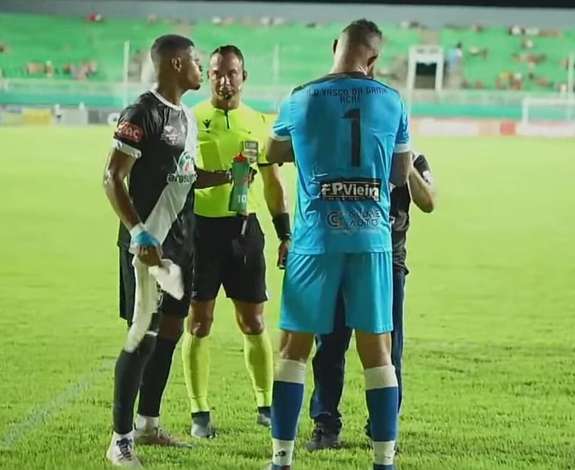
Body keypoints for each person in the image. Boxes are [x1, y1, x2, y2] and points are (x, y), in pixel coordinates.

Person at [264, 18, 412, 470]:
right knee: (378, 350)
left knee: (294, 348)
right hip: (372, 240)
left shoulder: (300, 97)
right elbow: (401, 175)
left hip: (315, 238)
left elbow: (272, 153)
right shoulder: (391, 100)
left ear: (336, 47)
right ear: (372, 59)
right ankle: (384, 461)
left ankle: (281, 459)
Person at [102, 34, 231, 467]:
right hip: (149, 246)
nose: (201, 69)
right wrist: (138, 232)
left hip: (182, 242)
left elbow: (186, 176)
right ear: (177, 64)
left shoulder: (186, 119)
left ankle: (148, 424)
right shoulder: (142, 112)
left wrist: (228, 176)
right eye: (196, 61)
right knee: (141, 336)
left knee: (171, 333)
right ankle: (119, 440)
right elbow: (112, 178)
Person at [181, 44, 290, 438]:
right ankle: (199, 413)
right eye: (216, 73)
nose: (224, 79)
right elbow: (183, 178)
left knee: (254, 322)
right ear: (207, 77)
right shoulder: (191, 120)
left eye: (231, 72)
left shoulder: (260, 122)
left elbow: (274, 184)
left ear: (244, 77)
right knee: (199, 324)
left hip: (245, 233)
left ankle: (265, 404)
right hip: (200, 232)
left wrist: (284, 234)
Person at [306, 151, 435, 450]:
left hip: (388, 262)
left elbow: (429, 202)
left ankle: (383, 425)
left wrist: (406, 163)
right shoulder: (356, 152)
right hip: (342, 255)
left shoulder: (416, 160)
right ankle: (325, 424)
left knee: (389, 349)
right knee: (329, 343)